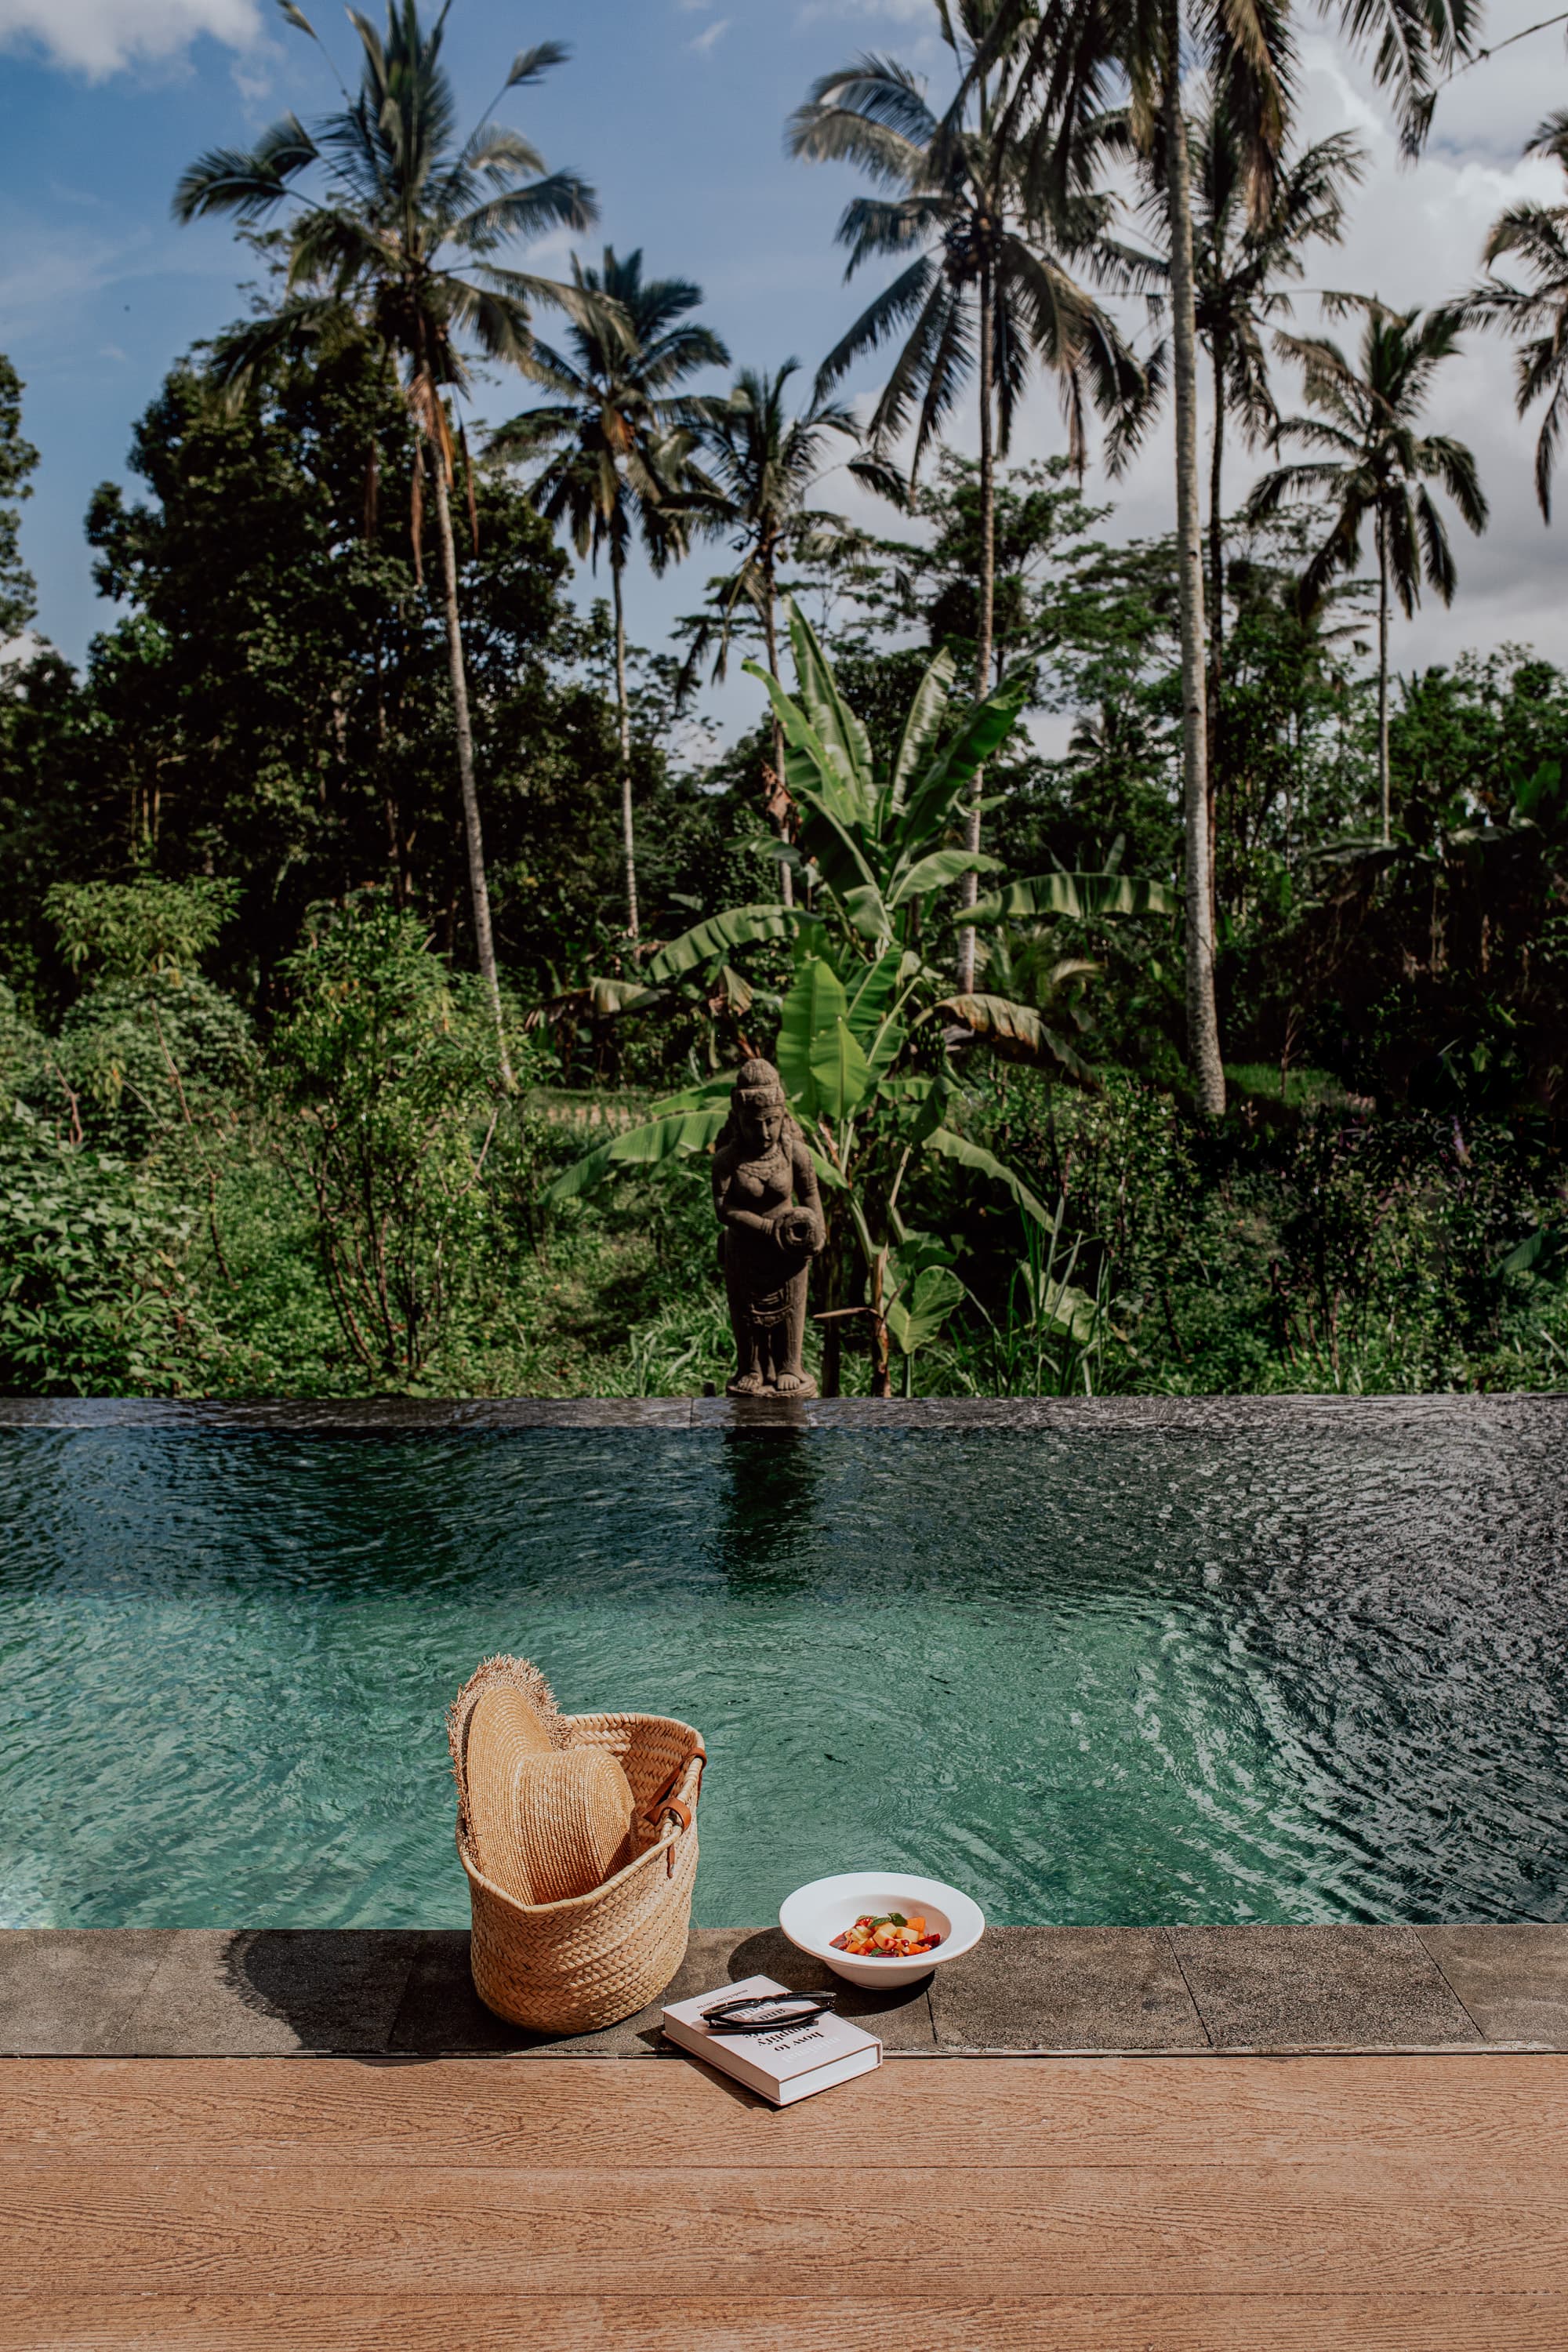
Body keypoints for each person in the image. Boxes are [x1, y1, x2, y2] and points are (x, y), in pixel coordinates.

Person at [711, 1058, 826, 1397]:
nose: (763, 1133)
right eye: (754, 1124)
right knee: (746, 1314)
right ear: (739, 1121)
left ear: (782, 1118)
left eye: (772, 1122)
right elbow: (723, 1208)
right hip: (745, 1250)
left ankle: (790, 1363)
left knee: (791, 1311)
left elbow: (812, 1199)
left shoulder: (797, 1154)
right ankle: (751, 1366)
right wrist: (764, 1229)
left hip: (788, 1253)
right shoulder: (728, 1160)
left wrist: (817, 1236)